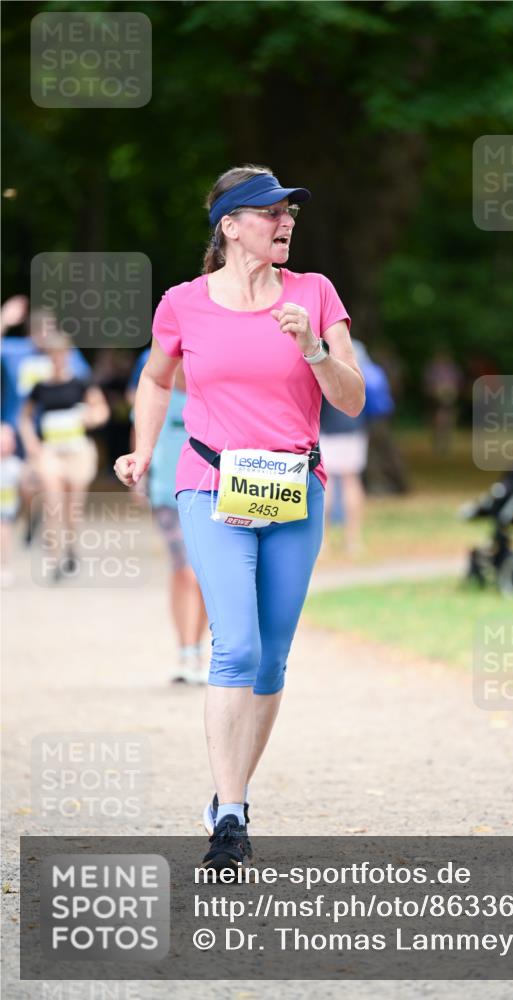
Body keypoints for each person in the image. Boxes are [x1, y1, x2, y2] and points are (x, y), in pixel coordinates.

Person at [113, 164, 364, 871]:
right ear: (229, 225)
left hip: (292, 485)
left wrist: (312, 350)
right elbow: (155, 379)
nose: (284, 223)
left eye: (289, 213)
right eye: (268, 213)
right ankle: (228, 816)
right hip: (211, 481)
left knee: (273, 658)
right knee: (238, 647)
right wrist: (139, 452)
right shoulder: (184, 304)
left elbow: (348, 401)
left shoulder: (315, 295)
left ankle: (233, 789)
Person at [128, 354, 209, 684]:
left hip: (210, 494)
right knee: (185, 571)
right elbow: (141, 437)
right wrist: (139, 474)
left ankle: (196, 649)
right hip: (168, 494)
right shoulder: (155, 393)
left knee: (204, 575)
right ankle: (185, 649)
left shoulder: (210, 395)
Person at [19, 332, 109, 582]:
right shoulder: (40, 387)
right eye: (52, 355)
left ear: (67, 355)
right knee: (53, 500)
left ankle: (71, 548)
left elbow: (101, 409)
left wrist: (91, 417)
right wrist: (31, 442)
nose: (57, 360)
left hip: (77, 450)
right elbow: (25, 417)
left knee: (73, 505)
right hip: (51, 451)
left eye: (61, 355)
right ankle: (55, 555)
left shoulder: (80, 383)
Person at [320, 339, 370, 557]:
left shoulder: (320, 345)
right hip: (354, 424)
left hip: (326, 426)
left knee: (326, 484)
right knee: (352, 480)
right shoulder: (356, 348)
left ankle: (324, 542)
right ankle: (353, 541)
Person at [0, 423, 23, 587]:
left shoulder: (16, 465)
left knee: (4, 532)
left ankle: (4, 566)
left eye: (8, 441)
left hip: (6, 509)